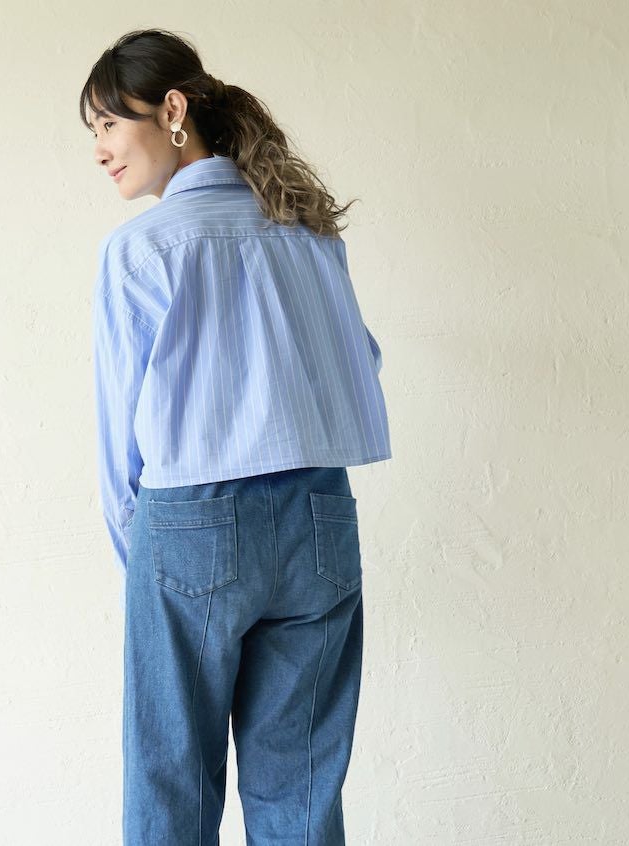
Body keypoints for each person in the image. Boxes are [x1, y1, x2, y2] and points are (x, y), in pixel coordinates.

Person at [80, 27, 392, 845]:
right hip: (320, 517)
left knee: (172, 792)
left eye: (109, 123)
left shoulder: (142, 249)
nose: (100, 149)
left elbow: (120, 437)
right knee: (301, 794)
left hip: (190, 522)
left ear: (171, 110)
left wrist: (145, 556)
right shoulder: (308, 230)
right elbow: (362, 361)